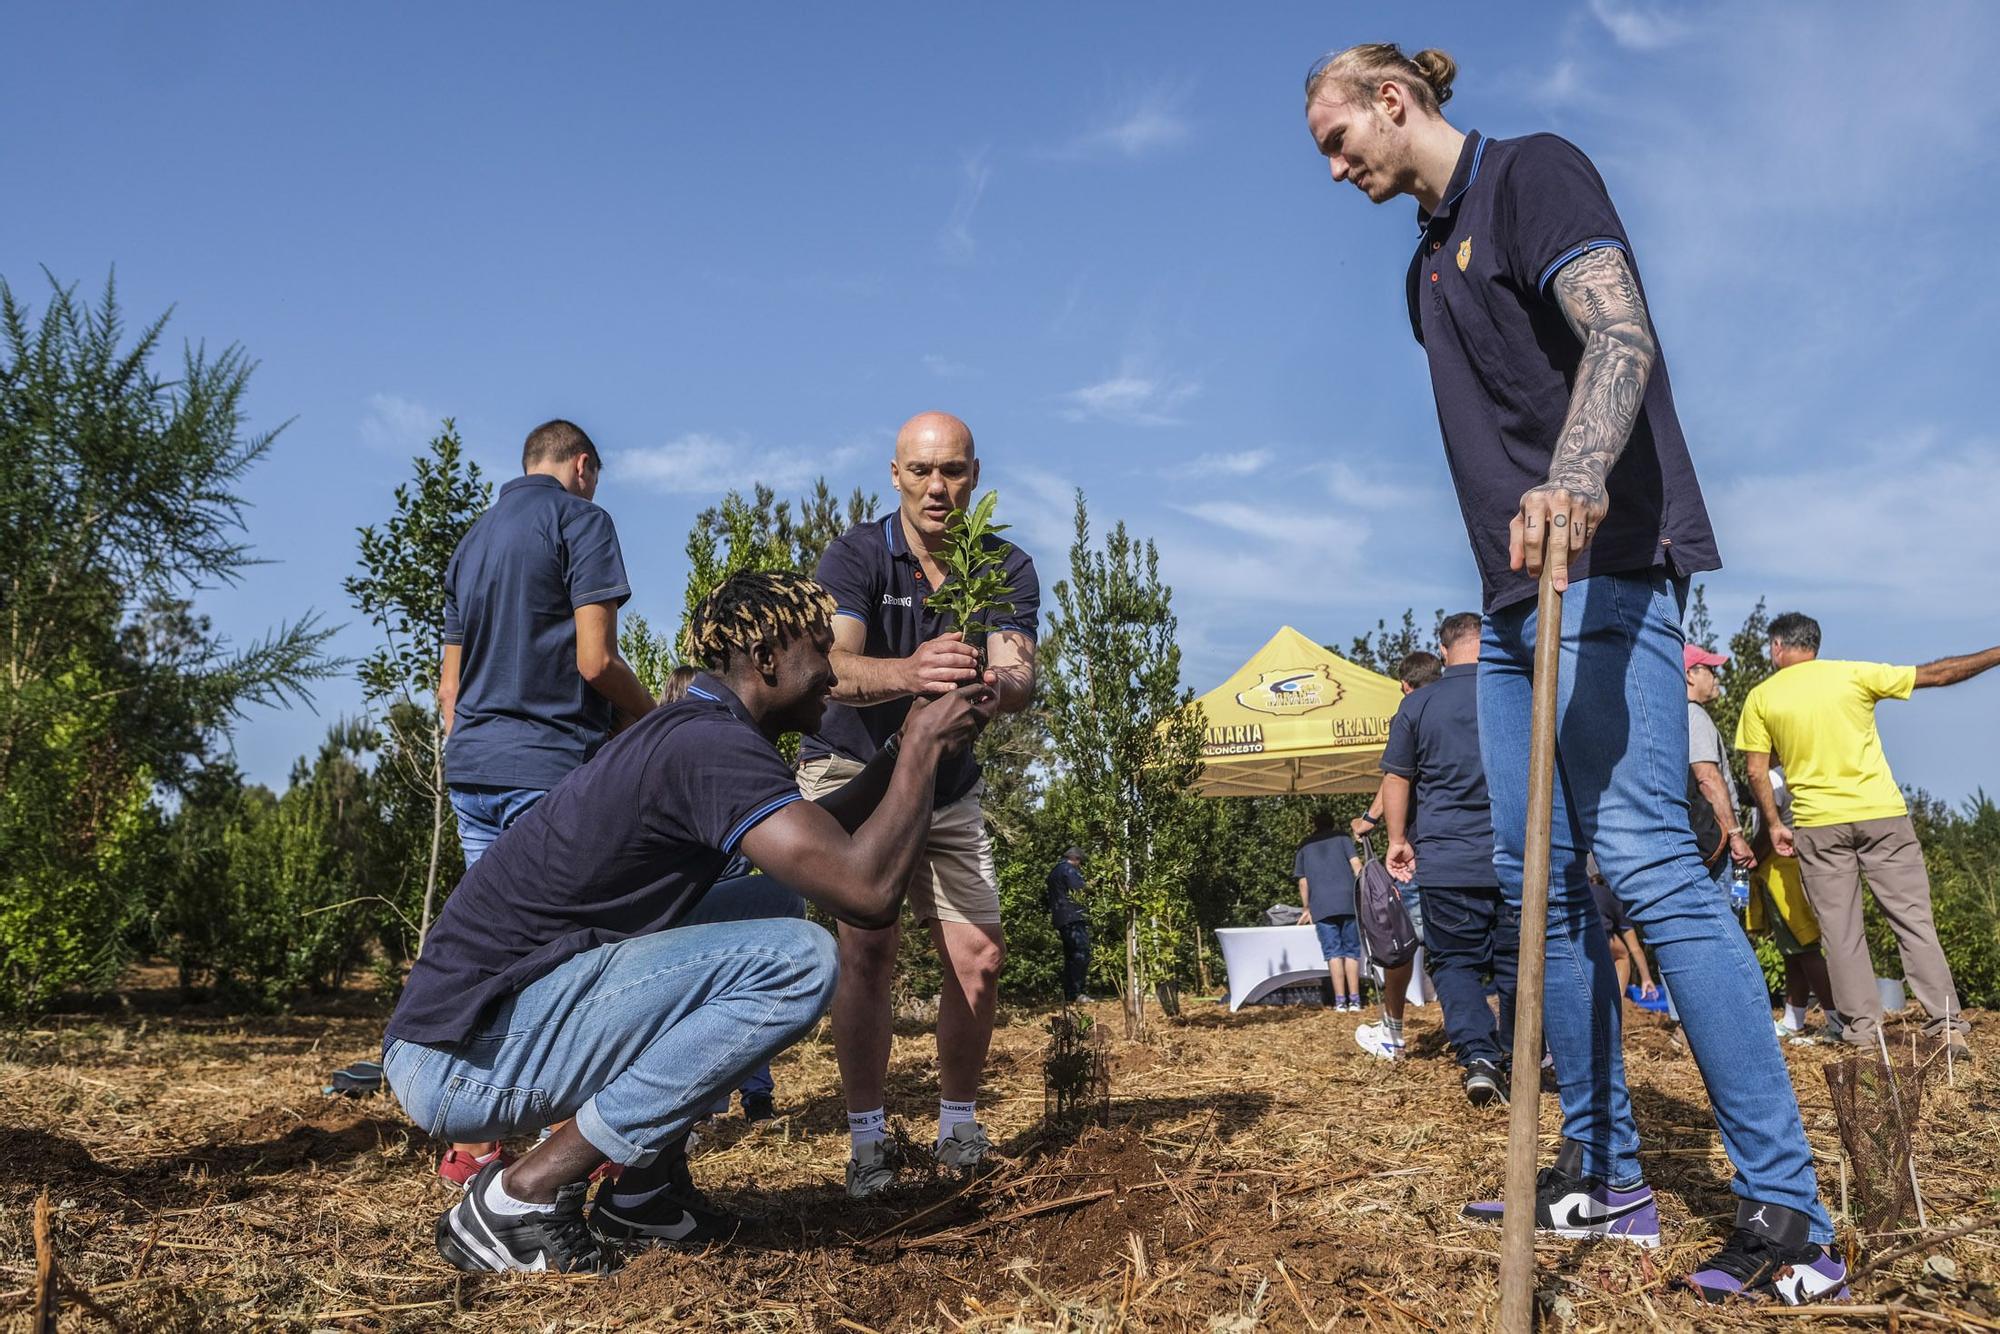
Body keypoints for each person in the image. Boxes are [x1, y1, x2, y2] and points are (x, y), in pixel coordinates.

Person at [1304, 43, 1845, 1301]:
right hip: (1508, 600)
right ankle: (1606, 1174)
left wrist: (1579, 475)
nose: (1335, 171)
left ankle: (1788, 1210)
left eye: (1340, 141)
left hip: (1600, 563)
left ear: (1396, 101)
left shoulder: (1529, 176)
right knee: (1523, 876)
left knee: (1647, 855)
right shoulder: (1422, 265)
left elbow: (1617, 330)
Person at [381, 571, 996, 1273]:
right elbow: (864, 893)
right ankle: (522, 1195)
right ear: (766, 658)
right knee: (799, 959)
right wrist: (918, 750)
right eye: (819, 651)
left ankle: (643, 1193)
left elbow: (820, 843)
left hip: (478, 1032)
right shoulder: (709, 746)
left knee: (772, 904)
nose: (833, 672)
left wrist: (894, 755)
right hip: (461, 1057)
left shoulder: (703, 730)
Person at [799, 411, 1041, 1197]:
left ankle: (958, 1124)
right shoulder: (857, 554)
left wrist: (992, 685)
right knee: (868, 951)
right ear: (896, 475)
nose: (938, 487)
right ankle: (868, 1140)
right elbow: (831, 666)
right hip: (853, 772)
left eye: (955, 471)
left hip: (947, 782)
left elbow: (1019, 676)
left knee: (980, 957)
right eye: (922, 471)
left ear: (975, 474)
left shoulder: (1004, 566)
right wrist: (914, 672)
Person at [432, 419, 658, 1188]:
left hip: (474, 773)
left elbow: (449, 692)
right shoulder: (582, 521)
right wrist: (657, 722)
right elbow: (596, 661)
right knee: (572, 954)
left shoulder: (472, 540)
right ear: (583, 466)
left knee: (498, 953)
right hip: (548, 768)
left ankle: (477, 1143)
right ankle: (579, 1144)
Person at [1736, 612, 1998, 1061]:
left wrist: (1776, 825)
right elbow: (1937, 674)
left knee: (1841, 934)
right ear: (1814, 645)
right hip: (1883, 815)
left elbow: (1756, 770)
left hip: (1818, 824)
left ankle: (1862, 1035)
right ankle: (1948, 1027)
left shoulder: (1762, 696)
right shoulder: (1852, 674)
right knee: (1914, 920)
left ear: (1777, 647)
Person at [1377, 614, 1515, 1103]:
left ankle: (1478, 1055)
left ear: (1442, 650)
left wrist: (1397, 839)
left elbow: (1397, 778)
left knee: (1454, 962)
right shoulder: (1518, 692)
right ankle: (1522, 1054)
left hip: (1447, 859)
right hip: (1515, 857)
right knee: (1518, 963)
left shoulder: (1418, 705)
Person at [1352, 650, 1440, 1061]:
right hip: (1467, 843)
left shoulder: (1411, 711)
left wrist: (1373, 821)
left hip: (1420, 848)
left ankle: (1393, 1033)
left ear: (1405, 685)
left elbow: (1396, 775)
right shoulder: (1462, 704)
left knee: (1402, 941)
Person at [1747, 766, 1840, 1044]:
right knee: (1792, 950)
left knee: (1806, 947)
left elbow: (1767, 828)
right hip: (1792, 865)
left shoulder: (1773, 778)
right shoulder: (1798, 772)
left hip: (1780, 869)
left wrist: (1752, 856)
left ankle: (1837, 1020)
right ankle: (1793, 1018)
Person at [1294, 813, 1365, 1011]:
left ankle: (1340, 1001)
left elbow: (1303, 881)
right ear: (1332, 823)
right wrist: (1365, 892)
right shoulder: (1342, 838)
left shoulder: (1304, 846)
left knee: (1333, 953)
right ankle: (1355, 1000)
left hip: (1321, 905)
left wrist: (1306, 907)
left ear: (1313, 824)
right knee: (1352, 952)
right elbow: (1357, 866)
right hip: (1348, 901)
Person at [1045, 848, 1094, 1004]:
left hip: (1061, 919)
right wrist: (1093, 885)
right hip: (1073, 917)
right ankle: (1077, 993)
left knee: (1070, 956)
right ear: (1076, 859)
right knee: (1081, 953)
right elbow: (1080, 890)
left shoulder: (1054, 871)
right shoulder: (1068, 870)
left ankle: (1070, 994)